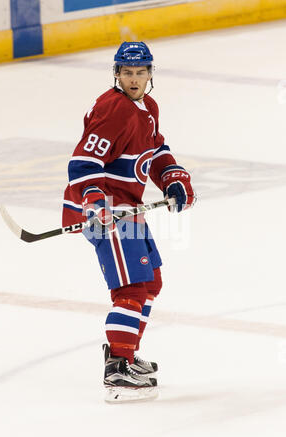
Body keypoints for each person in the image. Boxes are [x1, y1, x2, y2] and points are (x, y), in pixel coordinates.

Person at [62, 42, 196, 401]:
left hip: (127, 209)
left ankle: (126, 354)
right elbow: (82, 164)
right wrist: (94, 202)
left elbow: (156, 150)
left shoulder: (147, 107)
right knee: (131, 290)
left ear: (150, 74)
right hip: (104, 210)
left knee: (150, 281)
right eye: (127, 72)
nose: (134, 79)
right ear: (116, 73)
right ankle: (117, 370)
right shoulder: (112, 109)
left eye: (140, 72)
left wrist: (173, 177)